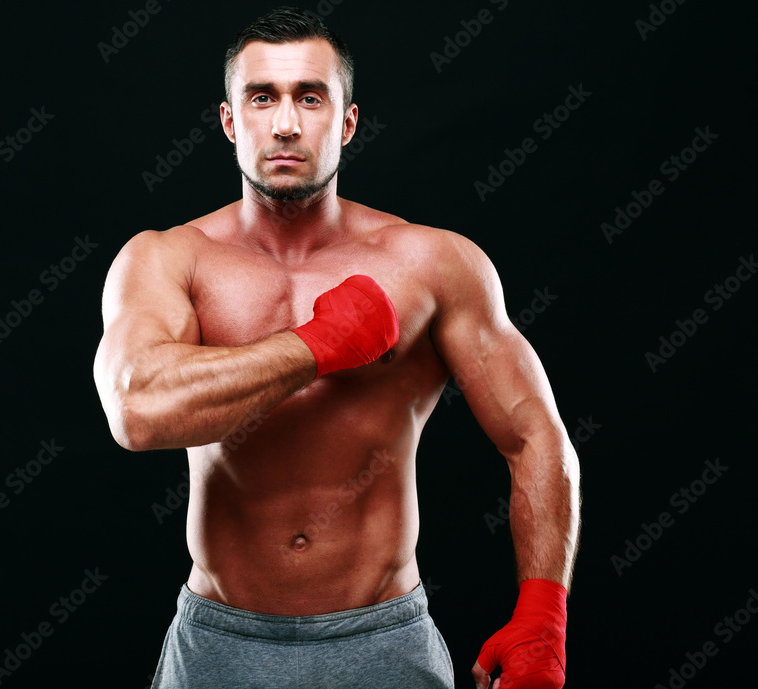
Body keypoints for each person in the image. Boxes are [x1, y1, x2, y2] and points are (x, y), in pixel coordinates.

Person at [94, 7, 580, 688]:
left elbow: (536, 433)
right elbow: (138, 410)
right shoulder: (169, 260)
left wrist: (542, 615)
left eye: (310, 98)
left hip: (383, 639)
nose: (285, 123)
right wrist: (316, 345)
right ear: (231, 121)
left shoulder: (433, 263)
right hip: (220, 641)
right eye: (261, 98)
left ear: (347, 123)